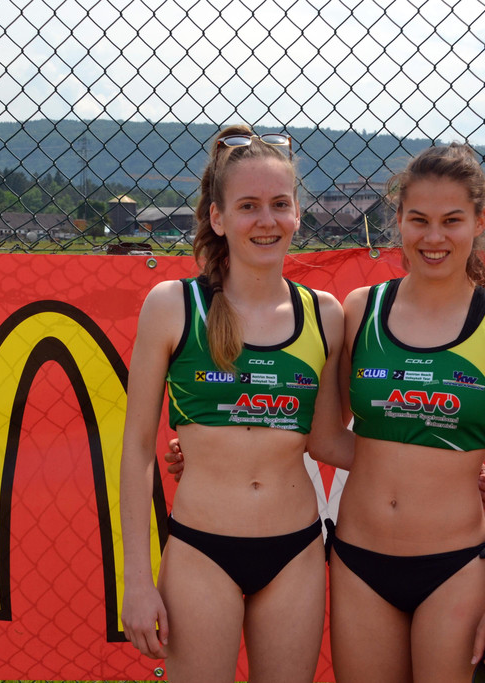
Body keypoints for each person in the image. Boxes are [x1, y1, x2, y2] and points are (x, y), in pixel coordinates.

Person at [308, 143, 485, 682]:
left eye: (451, 220)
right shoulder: (361, 309)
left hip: (456, 568)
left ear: (479, 222)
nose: (433, 237)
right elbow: (324, 438)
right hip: (358, 562)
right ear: (398, 220)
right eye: (418, 219)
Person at [118, 124, 346, 683]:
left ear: (297, 214)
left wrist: (447, 470)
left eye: (280, 204)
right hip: (201, 550)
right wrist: (137, 580)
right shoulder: (173, 305)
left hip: (294, 552)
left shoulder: (325, 314)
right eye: (248, 206)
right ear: (218, 218)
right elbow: (138, 450)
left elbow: (327, 440)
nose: (266, 220)